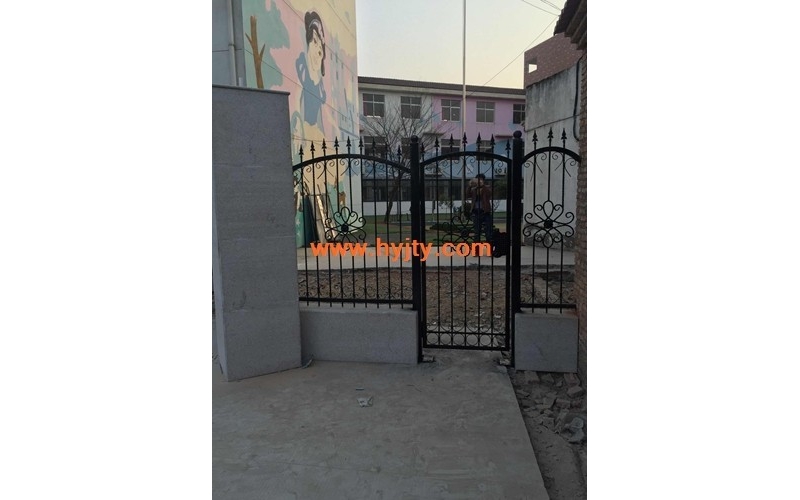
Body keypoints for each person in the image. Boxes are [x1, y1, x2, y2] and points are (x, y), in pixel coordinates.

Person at [467, 173, 493, 242]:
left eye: (481, 180)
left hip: (485, 212)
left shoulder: (487, 187)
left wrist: (483, 185)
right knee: (477, 232)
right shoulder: (474, 189)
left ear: (483, 180)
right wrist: (469, 186)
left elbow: (489, 194)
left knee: (488, 231)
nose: (479, 181)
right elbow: (467, 195)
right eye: (478, 180)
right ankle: (477, 246)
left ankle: (489, 245)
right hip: (476, 212)